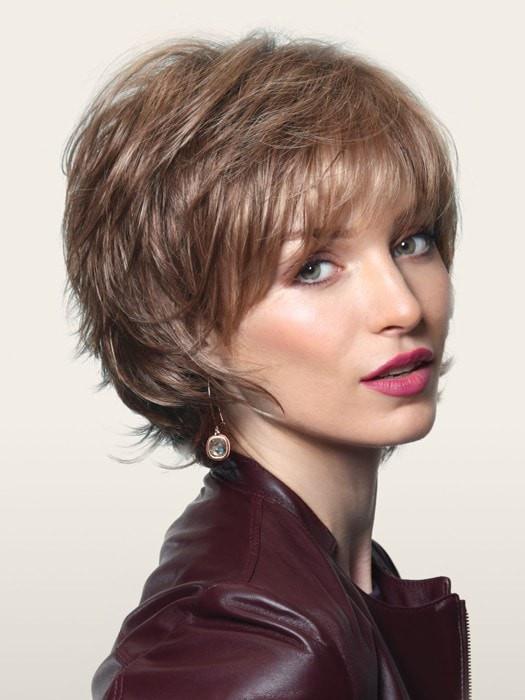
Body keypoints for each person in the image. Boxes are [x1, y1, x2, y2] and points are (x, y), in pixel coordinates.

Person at [61, 30, 471, 699]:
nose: (401, 305)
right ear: (188, 329)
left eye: (411, 241)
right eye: (312, 268)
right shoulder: (262, 647)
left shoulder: (321, 577)